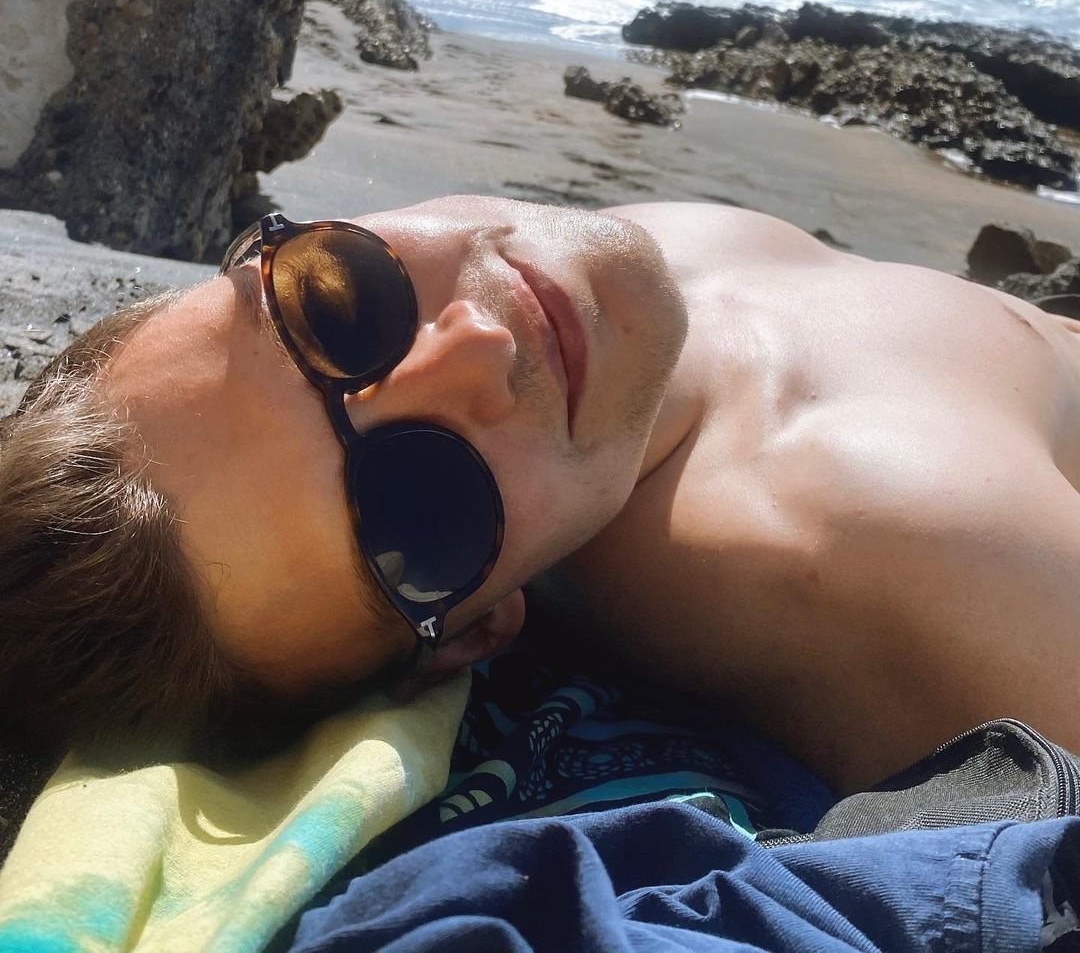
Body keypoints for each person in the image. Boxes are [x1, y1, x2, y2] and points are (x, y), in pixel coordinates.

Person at [2, 194, 1079, 792]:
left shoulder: (571, 294)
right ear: (477, 634)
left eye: (331, 305)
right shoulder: (885, 530)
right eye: (425, 511)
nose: (473, 345)